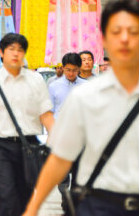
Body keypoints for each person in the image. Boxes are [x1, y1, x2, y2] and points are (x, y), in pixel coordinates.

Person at [22, 0, 139, 216]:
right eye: (116, 31)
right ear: (104, 39)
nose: (124, 39)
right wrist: (32, 208)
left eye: (133, 31)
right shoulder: (84, 97)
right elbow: (60, 158)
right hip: (98, 205)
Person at [0, 33, 54, 216]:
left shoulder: (36, 80)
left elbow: (46, 115)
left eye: (20, 50)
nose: (16, 53)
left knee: (25, 198)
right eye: (11, 49)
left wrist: (57, 143)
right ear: (1, 52)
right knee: (5, 195)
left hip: (29, 146)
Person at [48, 52, 87, 216]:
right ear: (63, 68)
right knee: (62, 174)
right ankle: (65, 196)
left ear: (79, 69)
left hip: (80, 136)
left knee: (79, 172)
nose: (71, 73)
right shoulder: (53, 86)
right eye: (68, 70)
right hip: (60, 136)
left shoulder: (86, 86)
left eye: (74, 70)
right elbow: (49, 112)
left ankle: (75, 200)